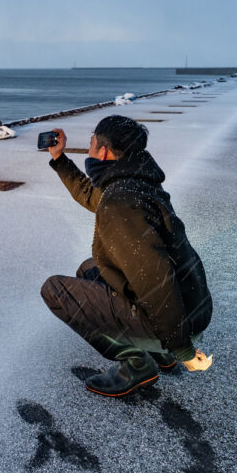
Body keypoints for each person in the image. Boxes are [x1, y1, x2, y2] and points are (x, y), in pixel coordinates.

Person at [40, 115, 213, 397]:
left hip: (182, 325)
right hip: (191, 309)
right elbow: (89, 195)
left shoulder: (122, 202)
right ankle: (162, 353)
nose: (89, 151)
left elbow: (156, 281)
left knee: (56, 291)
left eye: (91, 144)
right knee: (89, 270)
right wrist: (59, 159)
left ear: (105, 152)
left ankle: (138, 363)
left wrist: (183, 349)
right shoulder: (136, 182)